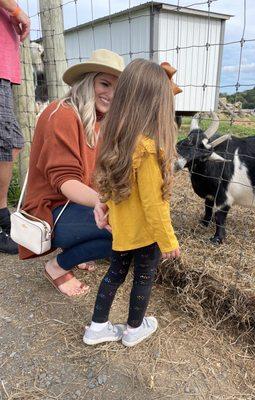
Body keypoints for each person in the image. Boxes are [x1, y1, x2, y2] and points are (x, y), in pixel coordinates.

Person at [83, 59, 181, 348]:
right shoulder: (149, 151)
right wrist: (168, 241)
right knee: (143, 278)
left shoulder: (119, 141)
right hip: (145, 234)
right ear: (158, 105)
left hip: (122, 230)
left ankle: (97, 327)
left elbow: (113, 189)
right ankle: (133, 329)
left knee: (114, 275)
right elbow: (154, 205)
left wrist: (108, 211)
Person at [19, 49, 125, 297]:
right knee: (123, 230)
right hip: (50, 208)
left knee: (125, 216)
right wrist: (103, 203)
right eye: (104, 83)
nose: (111, 94)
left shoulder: (98, 119)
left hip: (71, 206)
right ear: (87, 81)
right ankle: (57, 267)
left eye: (117, 89)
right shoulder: (63, 114)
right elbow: (65, 181)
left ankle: (77, 246)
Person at [0, 0, 30, 254]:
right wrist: (17, 11)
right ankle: (0, 219)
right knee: (4, 145)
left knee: (14, 143)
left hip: (6, 70)